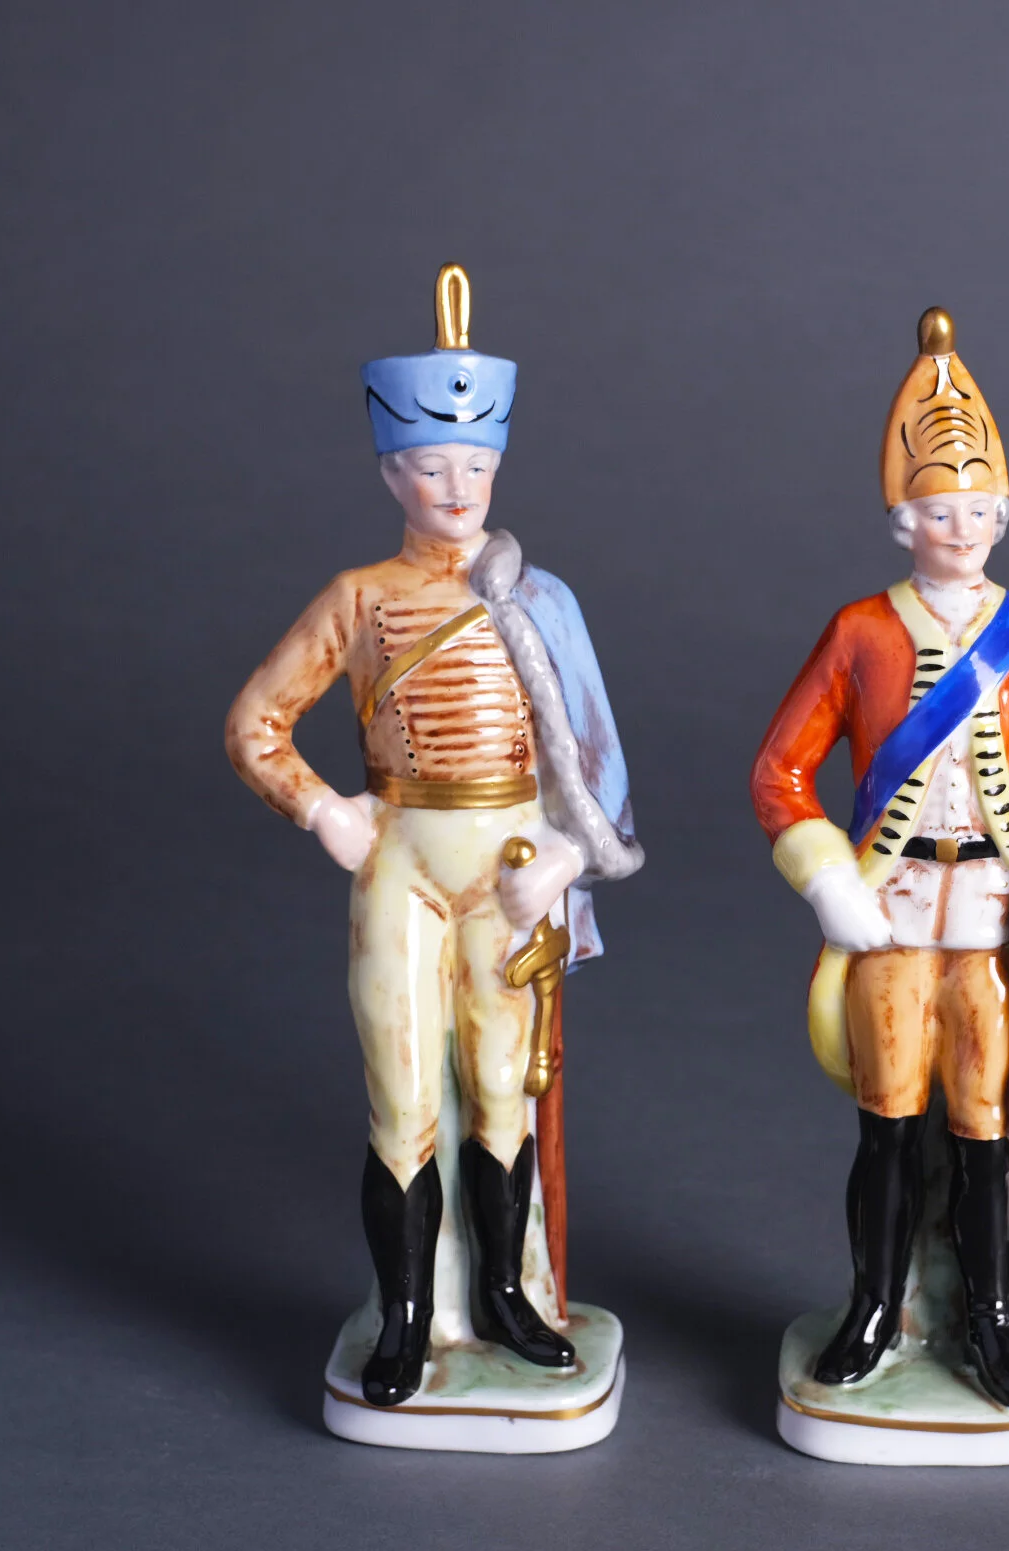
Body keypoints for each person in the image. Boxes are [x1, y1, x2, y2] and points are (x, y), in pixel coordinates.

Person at [226, 265, 641, 1406]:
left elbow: (596, 757)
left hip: (510, 869)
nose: (455, 487)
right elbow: (256, 722)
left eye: (474, 465)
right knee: (403, 1094)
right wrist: (323, 807)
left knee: (501, 1086)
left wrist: (567, 857)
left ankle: (502, 1297)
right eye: (429, 464)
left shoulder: (541, 599)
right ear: (388, 472)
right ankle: (410, 1315)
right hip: (402, 863)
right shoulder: (359, 598)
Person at [749, 306, 1009, 1407]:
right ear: (902, 519)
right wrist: (828, 876)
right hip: (892, 903)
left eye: (976, 510)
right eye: (938, 510)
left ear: (1001, 515)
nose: (959, 528)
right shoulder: (860, 632)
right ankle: (875, 1306)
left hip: (993, 910)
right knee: (886, 1121)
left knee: (983, 1127)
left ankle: (991, 1316)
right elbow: (779, 770)